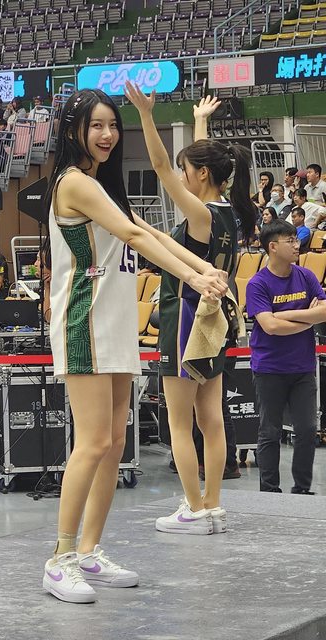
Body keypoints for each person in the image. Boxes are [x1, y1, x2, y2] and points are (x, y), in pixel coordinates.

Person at [42, 88, 228, 605]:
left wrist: (203, 267)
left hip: (116, 323)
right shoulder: (74, 183)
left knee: (115, 444)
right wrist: (192, 279)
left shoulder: (102, 185)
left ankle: (89, 550)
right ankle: (59, 559)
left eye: (112, 125)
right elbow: (134, 236)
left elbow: (153, 232)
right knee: (93, 442)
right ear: (73, 130)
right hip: (83, 323)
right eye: (96, 125)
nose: (106, 135)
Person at [126, 85, 256, 536]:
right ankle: (213, 507)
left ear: (201, 174)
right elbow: (198, 165)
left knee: (180, 424)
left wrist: (146, 115)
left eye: (189, 171)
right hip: (215, 322)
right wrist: (200, 122)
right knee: (211, 419)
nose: (180, 177)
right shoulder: (230, 213)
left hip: (185, 316)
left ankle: (194, 509)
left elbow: (162, 166)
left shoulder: (201, 215)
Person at [246, 219, 326, 494]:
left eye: (296, 239)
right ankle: (270, 490)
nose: (296, 245)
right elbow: (270, 326)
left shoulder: (306, 276)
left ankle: (302, 488)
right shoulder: (258, 284)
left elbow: (324, 311)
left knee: (307, 429)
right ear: (272, 247)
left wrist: (286, 314)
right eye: (290, 240)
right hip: (269, 367)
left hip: (302, 367)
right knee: (270, 431)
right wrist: (308, 318)